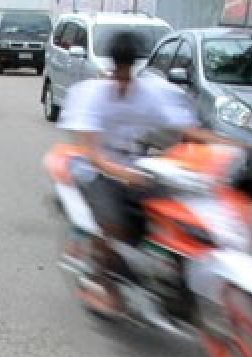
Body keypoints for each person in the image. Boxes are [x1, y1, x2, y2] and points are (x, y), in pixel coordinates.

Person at [58, 31, 235, 315]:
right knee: (113, 223)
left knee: (174, 214)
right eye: (120, 67)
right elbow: (91, 153)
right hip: (94, 172)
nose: (123, 75)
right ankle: (102, 278)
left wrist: (227, 144)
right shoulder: (93, 96)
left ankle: (176, 286)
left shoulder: (146, 94)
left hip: (136, 169)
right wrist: (120, 172)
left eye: (128, 67)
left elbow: (183, 129)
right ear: (113, 64)